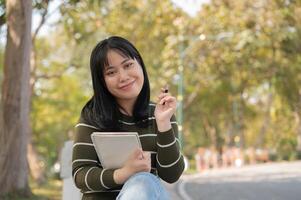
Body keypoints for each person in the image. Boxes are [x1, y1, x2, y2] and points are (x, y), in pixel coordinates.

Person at [72, 36, 185, 200]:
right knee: (141, 180)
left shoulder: (162, 113)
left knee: (143, 182)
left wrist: (163, 124)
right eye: (111, 72)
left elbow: (172, 174)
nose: (123, 77)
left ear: (139, 64)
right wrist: (124, 173)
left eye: (128, 65)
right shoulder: (92, 116)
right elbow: (80, 175)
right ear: (102, 81)